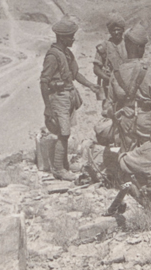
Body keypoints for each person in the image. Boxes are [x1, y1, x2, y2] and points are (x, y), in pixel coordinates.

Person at [40, 16, 100, 181]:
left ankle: (65, 165)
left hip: (68, 96)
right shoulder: (52, 56)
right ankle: (59, 169)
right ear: (61, 37)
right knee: (64, 133)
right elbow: (44, 82)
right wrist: (47, 107)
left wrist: (90, 85)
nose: (73, 39)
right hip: (58, 98)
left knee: (64, 132)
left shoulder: (67, 54)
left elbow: (75, 74)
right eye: (70, 36)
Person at [97, 22, 151, 151]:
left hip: (125, 120)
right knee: (149, 154)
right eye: (142, 47)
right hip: (146, 120)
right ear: (137, 47)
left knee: (127, 155)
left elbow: (108, 105)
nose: (143, 50)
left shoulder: (117, 72)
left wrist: (117, 114)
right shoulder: (150, 69)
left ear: (126, 45)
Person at [93, 13, 128, 99]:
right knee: (108, 110)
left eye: (118, 29)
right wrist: (109, 79)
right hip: (109, 86)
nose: (116, 32)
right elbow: (96, 69)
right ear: (109, 31)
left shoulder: (129, 44)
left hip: (128, 83)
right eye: (113, 30)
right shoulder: (103, 47)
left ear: (123, 30)